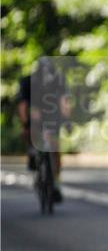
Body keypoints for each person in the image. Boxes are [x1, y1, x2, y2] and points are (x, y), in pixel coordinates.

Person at [17, 58, 70, 202]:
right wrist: (25, 125)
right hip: (35, 115)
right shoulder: (28, 81)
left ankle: (56, 183)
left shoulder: (58, 80)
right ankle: (32, 153)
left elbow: (64, 102)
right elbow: (22, 106)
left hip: (52, 115)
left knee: (55, 149)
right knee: (33, 125)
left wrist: (67, 120)